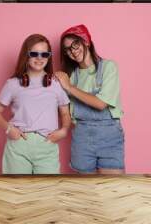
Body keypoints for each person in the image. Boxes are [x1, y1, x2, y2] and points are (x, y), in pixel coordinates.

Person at [0, 34, 71, 174]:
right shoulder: (13, 84)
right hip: (19, 145)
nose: (39, 58)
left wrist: (64, 131)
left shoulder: (56, 83)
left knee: (47, 192)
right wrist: (9, 129)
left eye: (44, 54)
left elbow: (65, 112)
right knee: (17, 192)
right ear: (26, 55)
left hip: (47, 145)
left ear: (49, 56)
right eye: (34, 53)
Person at [54, 24, 124, 174]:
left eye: (75, 44)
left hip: (109, 137)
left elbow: (100, 104)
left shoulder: (108, 67)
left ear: (86, 41)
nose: (72, 51)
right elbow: (61, 107)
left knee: (114, 190)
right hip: (82, 138)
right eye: (67, 49)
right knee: (84, 192)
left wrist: (70, 88)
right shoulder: (71, 76)